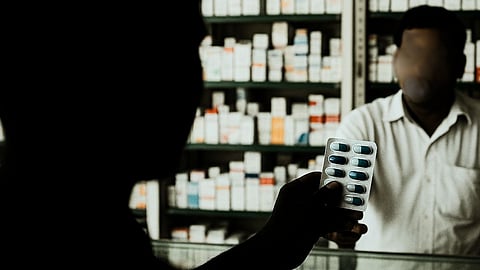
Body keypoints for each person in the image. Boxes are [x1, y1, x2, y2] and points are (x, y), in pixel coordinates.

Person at [1, 2, 367, 269]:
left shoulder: (90, 228)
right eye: (169, 52)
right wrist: (275, 244)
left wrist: (278, 241)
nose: (194, 86)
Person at [329, 5, 480, 257]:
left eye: (433, 57)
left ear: (459, 65)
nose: (419, 68)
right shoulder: (363, 124)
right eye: (411, 55)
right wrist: (338, 226)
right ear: (396, 60)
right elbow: (339, 211)